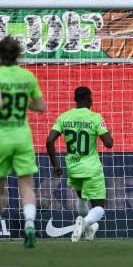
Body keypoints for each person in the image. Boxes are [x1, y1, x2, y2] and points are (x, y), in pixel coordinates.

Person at [0, 36, 45, 248]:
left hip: (0, 139)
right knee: (26, 186)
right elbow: (40, 107)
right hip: (22, 137)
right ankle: (29, 224)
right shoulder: (28, 76)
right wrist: (23, 101)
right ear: (19, 54)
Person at [46, 86, 113, 242]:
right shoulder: (95, 118)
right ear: (89, 99)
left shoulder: (64, 117)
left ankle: (89, 229)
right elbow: (109, 143)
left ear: (75, 100)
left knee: (82, 199)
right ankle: (85, 223)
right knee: (99, 207)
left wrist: (55, 165)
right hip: (92, 169)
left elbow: (49, 141)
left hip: (73, 168)